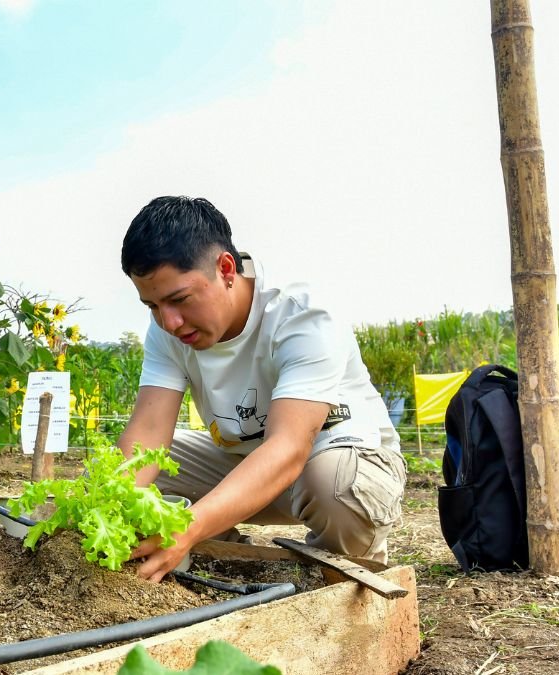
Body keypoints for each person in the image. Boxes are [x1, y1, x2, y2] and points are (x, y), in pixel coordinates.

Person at [118, 196, 405, 582]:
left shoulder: (300, 315)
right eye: (152, 306)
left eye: (179, 299)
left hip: (337, 459)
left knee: (334, 486)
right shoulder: (168, 331)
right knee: (136, 476)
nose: (169, 322)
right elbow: (148, 435)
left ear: (225, 268)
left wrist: (187, 524)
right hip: (246, 462)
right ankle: (224, 560)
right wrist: (107, 505)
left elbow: (288, 448)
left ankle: (345, 571)